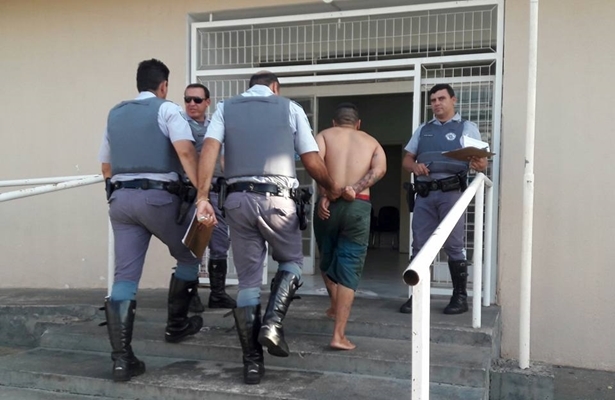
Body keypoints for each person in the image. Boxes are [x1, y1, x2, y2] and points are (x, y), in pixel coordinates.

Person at [195, 71, 340, 385]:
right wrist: (330, 187)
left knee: (248, 284)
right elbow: (312, 159)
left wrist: (202, 196)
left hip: (236, 201)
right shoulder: (289, 107)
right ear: (274, 87)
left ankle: (252, 365)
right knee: (292, 262)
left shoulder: (225, 108)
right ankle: (273, 323)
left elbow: (209, 150)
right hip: (277, 201)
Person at [98, 59, 203, 382]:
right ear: (163, 86)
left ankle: (121, 359)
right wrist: (203, 192)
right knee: (191, 250)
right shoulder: (167, 110)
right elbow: (186, 153)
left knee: (124, 277)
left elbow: (105, 166)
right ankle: (176, 325)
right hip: (158, 198)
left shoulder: (115, 114)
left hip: (120, 200)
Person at [399, 84, 488, 315]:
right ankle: (417, 297)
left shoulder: (466, 127)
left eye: (441, 99)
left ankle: (459, 297)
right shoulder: (423, 129)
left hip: (451, 193)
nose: (436, 103)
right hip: (425, 195)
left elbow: (481, 162)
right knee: (419, 244)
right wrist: (415, 166)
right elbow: (407, 159)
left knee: (454, 245)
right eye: (433, 100)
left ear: (453, 100)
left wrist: (479, 163)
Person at [313, 103, 387, 351]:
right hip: (358, 205)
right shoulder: (371, 141)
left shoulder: (324, 135)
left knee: (327, 253)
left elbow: (316, 164)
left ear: (335, 122)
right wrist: (353, 189)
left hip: (326, 205)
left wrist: (327, 193)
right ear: (358, 124)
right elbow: (380, 170)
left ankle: (334, 304)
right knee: (350, 263)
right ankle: (339, 335)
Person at [182, 83, 236, 313]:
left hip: (216, 190)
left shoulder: (217, 124)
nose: (191, 104)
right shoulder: (179, 125)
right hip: (191, 193)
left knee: (220, 243)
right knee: (193, 245)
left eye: (196, 99)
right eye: (188, 99)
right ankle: (190, 295)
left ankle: (218, 294)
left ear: (207, 102)